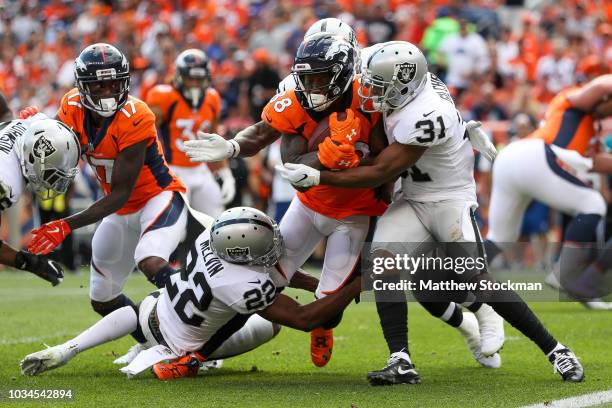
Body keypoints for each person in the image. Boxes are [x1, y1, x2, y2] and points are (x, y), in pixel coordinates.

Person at [277, 41, 584, 384]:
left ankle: (557, 351)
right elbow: (360, 60)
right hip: (411, 197)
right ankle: (401, 359)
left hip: (448, 198)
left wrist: (320, 175)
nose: (370, 93)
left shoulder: (424, 114)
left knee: (473, 280)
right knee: (384, 263)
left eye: (380, 88)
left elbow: (381, 171)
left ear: (405, 86)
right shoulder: (397, 73)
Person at [20, 207, 361, 380]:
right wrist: (358, 283)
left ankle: (69, 348)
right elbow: (304, 318)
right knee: (272, 324)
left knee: (142, 309)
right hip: (180, 346)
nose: (273, 251)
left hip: (153, 314)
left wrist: (317, 286)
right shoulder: (240, 284)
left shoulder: (209, 237)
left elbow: (264, 270)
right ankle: (194, 359)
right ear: (240, 253)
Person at [22, 43, 187, 365]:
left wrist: (66, 224)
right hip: (120, 210)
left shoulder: (137, 115)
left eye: (115, 83)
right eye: (99, 83)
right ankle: (152, 341)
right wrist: (35, 126)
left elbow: (120, 192)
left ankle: (197, 330)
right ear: (82, 85)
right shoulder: (71, 105)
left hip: (158, 198)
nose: (109, 90)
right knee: (102, 297)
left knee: (150, 260)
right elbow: (57, 143)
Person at [485, 74, 612, 308]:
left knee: (500, 238)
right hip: (534, 156)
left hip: (513, 160)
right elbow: (603, 85)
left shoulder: (587, 129)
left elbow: (595, 162)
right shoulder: (574, 98)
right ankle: (565, 276)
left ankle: (455, 278)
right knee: (593, 204)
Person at [146, 49, 235, 217]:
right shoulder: (164, 96)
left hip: (201, 169)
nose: (194, 83)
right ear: (180, 76)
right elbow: (145, 135)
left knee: (216, 221)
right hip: (173, 170)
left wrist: (225, 172)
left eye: (199, 78)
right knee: (175, 227)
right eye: (190, 78)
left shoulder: (212, 98)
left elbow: (214, 140)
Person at [0, 114, 80, 285]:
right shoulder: (7, 184)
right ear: (33, 160)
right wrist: (31, 263)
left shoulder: (36, 123)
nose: (54, 182)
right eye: (51, 174)